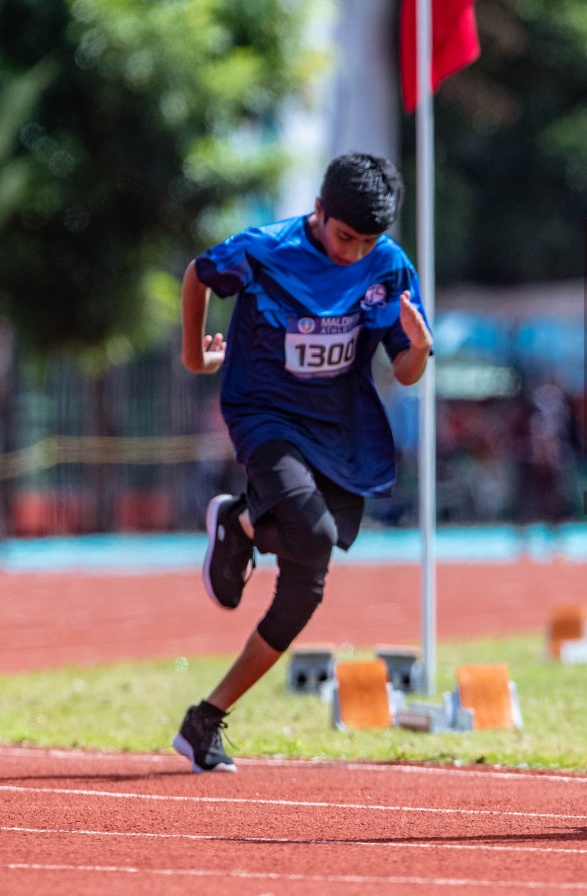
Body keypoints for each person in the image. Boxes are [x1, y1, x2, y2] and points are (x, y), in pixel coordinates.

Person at [173, 153, 431, 772]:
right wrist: (194, 355)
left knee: (305, 588)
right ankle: (240, 523)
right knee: (311, 532)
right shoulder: (265, 249)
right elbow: (198, 273)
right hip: (262, 411)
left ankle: (204, 719)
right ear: (320, 213)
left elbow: (404, 368)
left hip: (337, 427)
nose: (353, 252)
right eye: (345, 237)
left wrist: (420, 348)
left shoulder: (389, 267)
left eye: (366, 241)